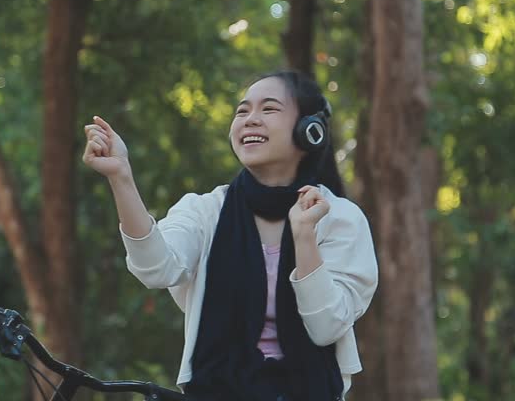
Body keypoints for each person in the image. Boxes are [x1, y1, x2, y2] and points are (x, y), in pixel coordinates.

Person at [82, 70, 378, 401]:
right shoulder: (204, 211)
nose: (250, 119)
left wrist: (304, 236)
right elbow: (155, 268)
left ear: (309, 131)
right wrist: (121, 177)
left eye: (269, 109)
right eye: (242, 111)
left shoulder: (340, 219)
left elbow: (326, 328)